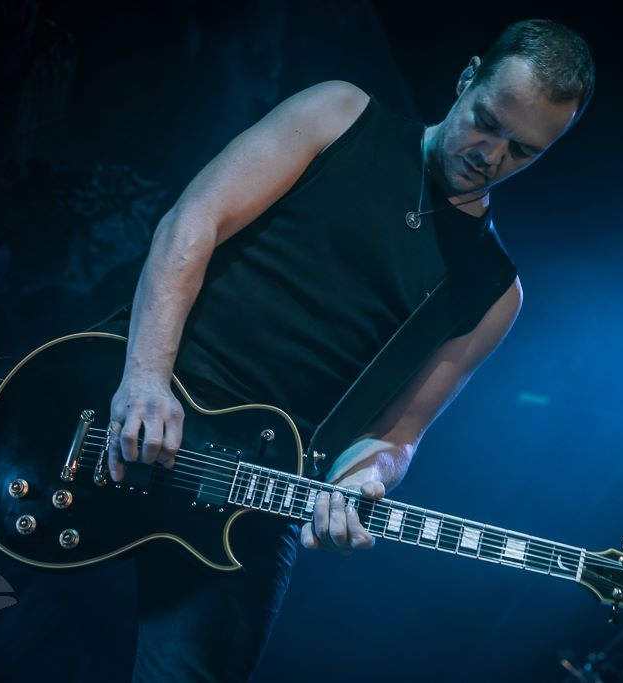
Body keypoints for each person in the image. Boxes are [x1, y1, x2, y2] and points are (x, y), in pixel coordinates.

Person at [105, 18, 594, 682]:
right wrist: (144, 375)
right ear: (466, 77)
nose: (491, 154)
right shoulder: (340, 114)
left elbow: (397, 433)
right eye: (487, 122)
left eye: (523, 151)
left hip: (257, 495)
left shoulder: (494, 292)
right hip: (138, 399)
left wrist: (363, 479)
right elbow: (193, 221)